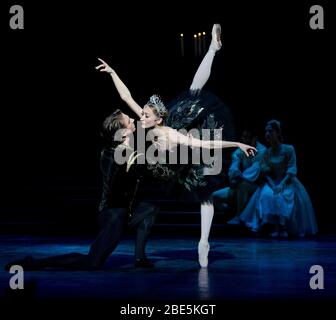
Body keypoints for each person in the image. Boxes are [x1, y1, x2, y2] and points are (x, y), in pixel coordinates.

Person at [95, 24, 256, 268]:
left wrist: (237, 143)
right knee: (193, 90)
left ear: (156, 119)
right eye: (142, 115)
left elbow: (205, 143)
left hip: (182, 157)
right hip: (164, 165)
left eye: (145, 115)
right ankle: (213, 49)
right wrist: (113, 73)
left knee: (204, 192)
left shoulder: (169, 133)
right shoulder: (145, 126)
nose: (140, 118)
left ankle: (204, 242)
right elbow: (127, 97)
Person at [5, 110, 159, 271]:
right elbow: (126, 170)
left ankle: (140, 258)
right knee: (91, 263)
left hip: (126, 210)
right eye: (129, 121)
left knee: (150, 209)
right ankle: (34, 263)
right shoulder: (110, 153)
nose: (133, 120)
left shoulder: (128, 150)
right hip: (113, 214)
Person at [239, 120, 318, 237]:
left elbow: (291, 169)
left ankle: (284, 226)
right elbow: (266, 173)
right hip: (272, 182)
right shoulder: (266, 152)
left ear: (277, 132)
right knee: (267, 194)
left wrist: (281, 185)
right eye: (266, 131)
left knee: (284, 196)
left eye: (270, 131)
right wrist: (273, 185)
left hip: (287, 181)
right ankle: (275, 226)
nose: (267, 134)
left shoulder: (288, 149)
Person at [212, 129, 266, 223]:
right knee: (214, 196)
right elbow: (234, 165)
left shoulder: (262, 151)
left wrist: (239, 178)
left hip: (257, 187)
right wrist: (234, 178)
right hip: (241, 183)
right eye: (244, 138)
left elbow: (255, 170)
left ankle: (239, 216)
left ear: (255, 139)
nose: (245, 141)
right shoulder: (241, 150)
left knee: (243, 184)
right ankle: (230, 211)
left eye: (248, 138)